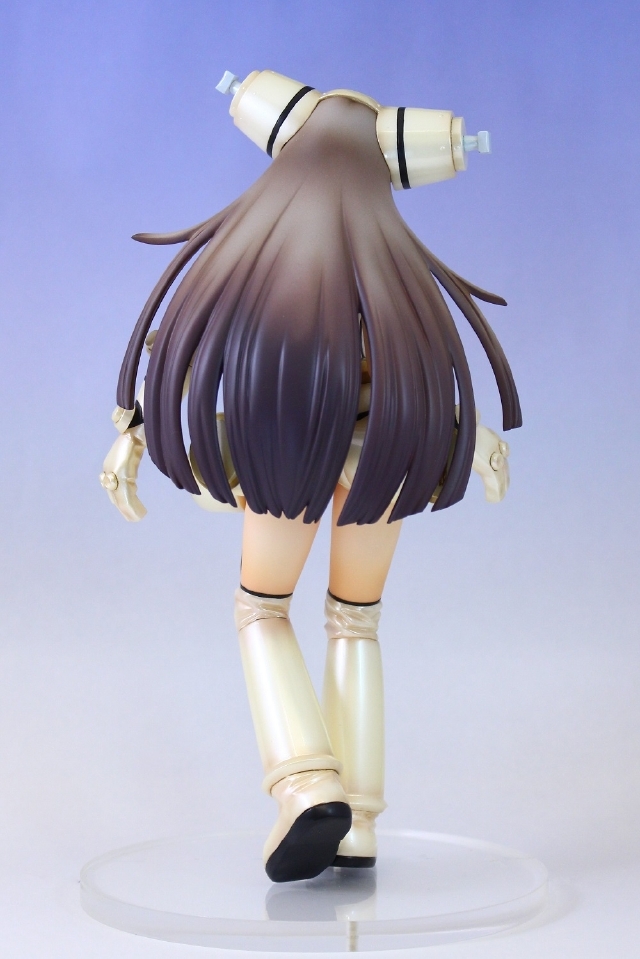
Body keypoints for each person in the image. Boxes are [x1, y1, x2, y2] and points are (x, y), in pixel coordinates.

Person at [100, 73, 521, 883]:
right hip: (379, 453)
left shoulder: (259, 256)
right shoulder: (392, 270)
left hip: (287, 444)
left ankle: (305, 786)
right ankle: (358, 819)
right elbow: (422, 368)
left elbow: (190, 342)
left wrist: (133, 429)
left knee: (262, 608)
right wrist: (471, 439)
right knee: (356, 620)